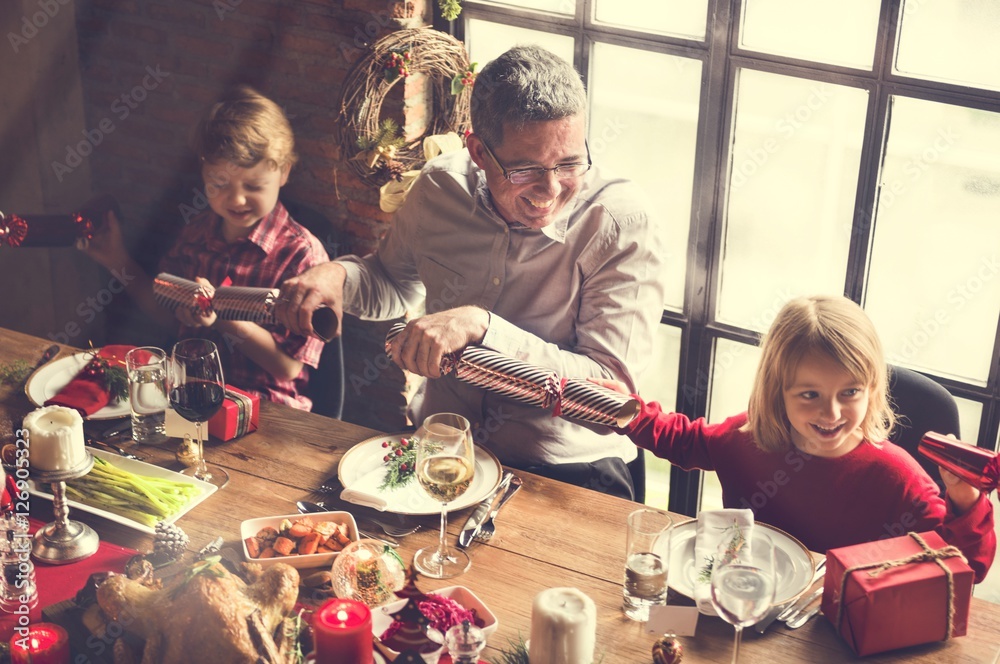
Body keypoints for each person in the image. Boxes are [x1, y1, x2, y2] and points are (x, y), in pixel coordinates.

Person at [275, 45, 666, 499]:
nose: (552, 188)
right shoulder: (440, 186)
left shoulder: (621, 225)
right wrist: (339, 278)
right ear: (478, 150)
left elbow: (609, 401)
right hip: (442, 452)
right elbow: (390, 281)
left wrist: (481, 326)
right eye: (525, 169)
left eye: (570, 162)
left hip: (567, 473)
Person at [598, 295, 995, 581]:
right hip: (743, 603)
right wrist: (624, 410)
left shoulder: (900, 477)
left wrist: (966, 499)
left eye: (850, 393)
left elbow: (965, 568)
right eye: (810, 395)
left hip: (839, 631)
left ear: (872, 389)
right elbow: (684, 440)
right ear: (777, 391)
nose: (832, 413)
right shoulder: (747, 438)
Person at [80, 85, 329, 411]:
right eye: (219, 184)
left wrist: (219, 311)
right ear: (203, 174)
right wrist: (118, 261)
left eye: (253, 186)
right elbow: (166, 317)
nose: (236, 199)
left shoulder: (303, 255)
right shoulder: (196, 233)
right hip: (192, 396)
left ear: (283, 172)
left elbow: (288, 368)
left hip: (269, 410)